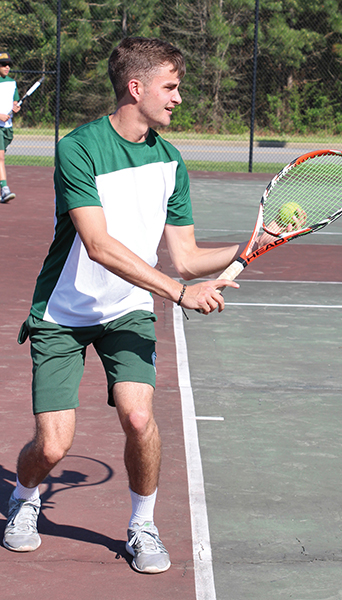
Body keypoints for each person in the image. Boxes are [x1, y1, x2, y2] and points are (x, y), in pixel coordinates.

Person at [2, 37, 280, 574]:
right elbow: (100, 246)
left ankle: (142, 523)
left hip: (128, 310)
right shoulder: (79, 148)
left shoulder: (171, 161)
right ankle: (25, 499)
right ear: (136, 87)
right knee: (53, 446)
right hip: (62, 313)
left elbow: (188, 257)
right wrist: (178, 293)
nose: (179, 97)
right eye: (170, 87)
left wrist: (253, 242)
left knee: (137, 415)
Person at [0, 52, 20, 203]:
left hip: (8, 127)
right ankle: (5, 189)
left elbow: (15, 101)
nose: (7, 67)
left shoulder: (12, 83)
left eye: (9, 64)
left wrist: (15, 106)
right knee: (0, 157)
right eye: (3, 64)